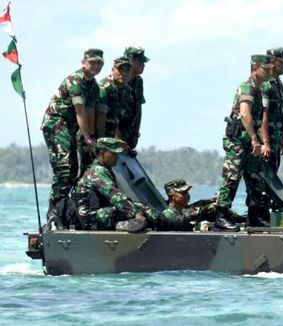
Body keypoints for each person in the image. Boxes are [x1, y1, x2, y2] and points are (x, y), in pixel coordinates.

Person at [73, 138, 188, 232]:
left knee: (138, 207)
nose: (117, 157)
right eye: (113, 154)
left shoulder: (103, 169)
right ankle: (169, 223)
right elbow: (115, 196)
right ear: (102, 154)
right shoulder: (97, 171)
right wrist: (136, 214)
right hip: (90, 219)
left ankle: (167, 222)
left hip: (97, 215)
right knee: (136, 209)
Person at [41, 48, 104, 218]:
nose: (96, 66)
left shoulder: (93, 85)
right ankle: (54, 212)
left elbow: (90, 112)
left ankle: (71, 209)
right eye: (92, 63)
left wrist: (91, 138)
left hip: (72, 127)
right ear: (83, 62)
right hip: (57, 124)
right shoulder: (76, 80)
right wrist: (87, 136)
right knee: (65, 169)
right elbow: (80, 111)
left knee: (79, 168)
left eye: (99, 63)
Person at [216, 54, 274, 229]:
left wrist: (261, 141)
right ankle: (221, 216)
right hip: (238, 143)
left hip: (250, 145)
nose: (270, 71)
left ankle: (255, 217)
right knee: (231, 179)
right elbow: (244, 114)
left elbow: (261, 118)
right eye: (266, 68)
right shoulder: (247, 87)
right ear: (255, 68)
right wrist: (255, 140)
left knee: (255, 180)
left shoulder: (260, 88)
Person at [260, 47, 283, 171]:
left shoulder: (278, 84)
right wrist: (265, 143)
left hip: (276, 138)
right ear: (273, 62)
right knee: (264, 179)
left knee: (272, 174)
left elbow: (280, 114)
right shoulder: (265, 84)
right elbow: (263, 115)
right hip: (267, 140)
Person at [96, 56, 133, 139]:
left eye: (127, 70)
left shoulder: (127, 90)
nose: (124, 73)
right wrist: (102, 143)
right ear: (113, 70)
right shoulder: (105, 87)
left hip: (112, 133)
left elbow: (120, 116)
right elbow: (100, 117)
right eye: (120, 69)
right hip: (96, 134)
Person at [120, 46, 149, 149]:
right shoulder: (118, 81)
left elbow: (138, 107)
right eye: (141, 62)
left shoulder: (138, 81)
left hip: (130, 134)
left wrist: (136, 133)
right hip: (114, 135)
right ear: (131, 62)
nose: (143, 65)